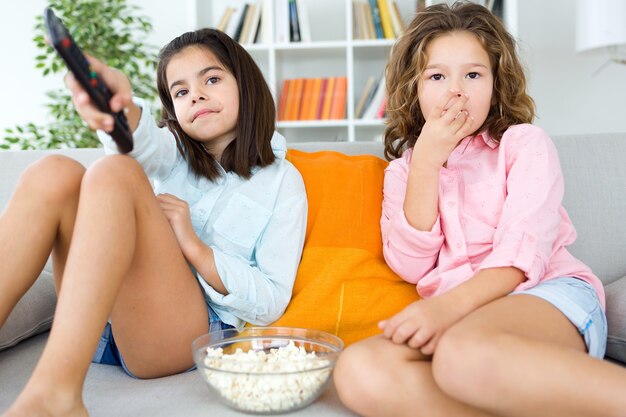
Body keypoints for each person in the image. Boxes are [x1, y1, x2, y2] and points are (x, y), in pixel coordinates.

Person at [333, 3, 626, 417]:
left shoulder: (523, 144)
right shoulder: (404, 171)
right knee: (360, 369)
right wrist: (428, 162)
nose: (456, 90)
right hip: (460, 320)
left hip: (543, 294)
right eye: (437, 76)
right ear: (413, 90)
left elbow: (521, 254)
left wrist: (445, 309)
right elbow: (411, 265)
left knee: (461, 354)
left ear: (495, 84)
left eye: (473, 74)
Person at [0, 28, 306, 417]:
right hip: (106, 321)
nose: (195, 95)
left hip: (184, 335)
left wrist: (195, 248)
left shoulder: (283, 181)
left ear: (246, 85)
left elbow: (271, 301)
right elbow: (140, 138)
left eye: (211, 79)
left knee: (117, 173)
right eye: (180, 92)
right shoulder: (173, 153)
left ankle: (56, 395)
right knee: (54, 172)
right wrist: (118, 106)